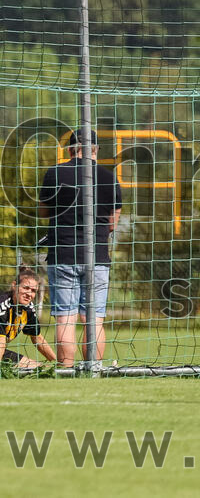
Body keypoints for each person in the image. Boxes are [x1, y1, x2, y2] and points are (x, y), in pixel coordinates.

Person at [39, 128, 122, 368]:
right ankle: (93, 369)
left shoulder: (54, 173)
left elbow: (43, 211)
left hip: (63, 254)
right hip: (97, 256)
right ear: (96, 150)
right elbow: (112, 223)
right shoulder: (109, 178)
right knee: (94, 319)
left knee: (65, 318)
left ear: (69, 150)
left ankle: (66, 370)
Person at [0, 268, 56, 369]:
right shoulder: (3, 305)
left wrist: (58, 364)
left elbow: (37, 338)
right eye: (26, 288)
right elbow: (1, 341)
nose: (29, 294)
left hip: (2, 350)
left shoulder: (28, 309)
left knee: (39, 369)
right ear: (14, 286)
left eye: (33, 291)